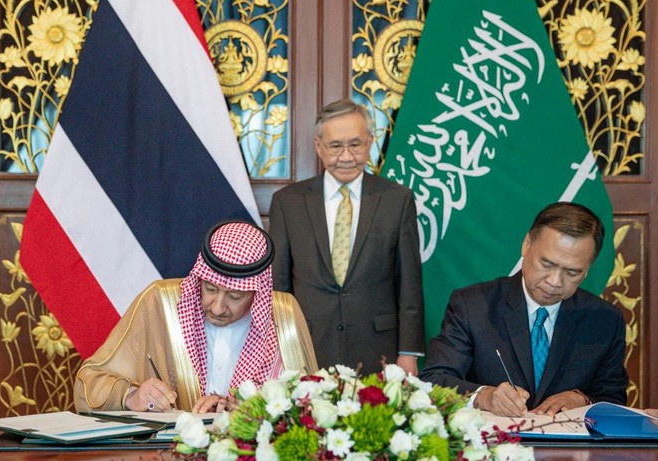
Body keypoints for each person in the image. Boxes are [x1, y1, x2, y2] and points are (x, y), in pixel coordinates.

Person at [419, 202, 628, 417]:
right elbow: (434, 380)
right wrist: (484, 397)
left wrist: (582, 400)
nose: (555, 281)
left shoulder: (605, 320)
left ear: (587, 270)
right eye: (547, 264)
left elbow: (613, 398)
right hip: (493, 436)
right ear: (526, 245)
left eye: (572, 272)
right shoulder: (473, 306)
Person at [269, 98, 424, 376]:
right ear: (318, 146)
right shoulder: (288, 202)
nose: (346, 156)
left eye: (355, 144)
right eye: (335, 146)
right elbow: (279, 287)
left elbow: (409, 283)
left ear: (370, 142)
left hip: (379, 350)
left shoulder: (397, 199)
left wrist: (408, 353)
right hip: (308, 347)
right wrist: (280, 349)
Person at [74, 221, 283, 413]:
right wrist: (132, 396)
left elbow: (298, 405)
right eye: (210, 288)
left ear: (257, 293)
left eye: (235, 296)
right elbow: (89, 381)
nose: (218, 308)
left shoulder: (283, 319)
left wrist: (246, 408)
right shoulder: (159, 303)